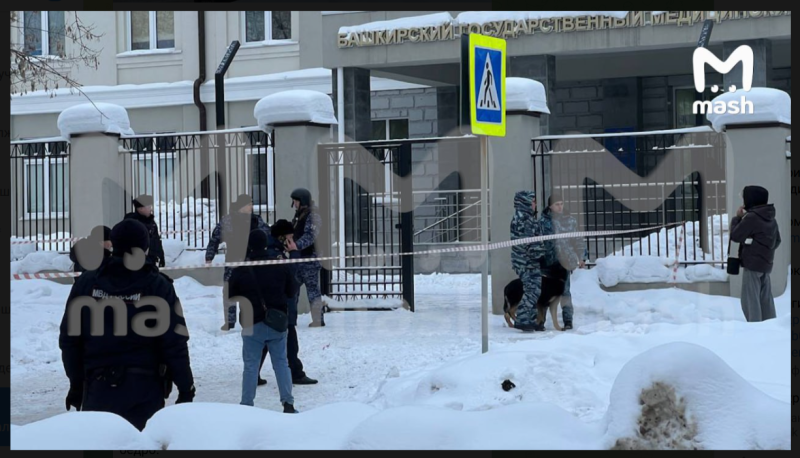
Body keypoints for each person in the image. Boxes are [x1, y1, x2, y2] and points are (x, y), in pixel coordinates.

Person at [58, 219, 195, 431]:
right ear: (145, 246)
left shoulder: (87, 283)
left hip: (99, 388)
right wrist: (186, 388)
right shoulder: (157, 286)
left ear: (113, 244)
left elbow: (69, 340)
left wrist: (76, 384)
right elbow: (174, 342)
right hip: (144, 390)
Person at [228, 229, 299, 413]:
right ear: (266, 244)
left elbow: (231, 295)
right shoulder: (278, 264)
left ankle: (246, 405)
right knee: (281, 363)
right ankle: (288, 403)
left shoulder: (242, 269)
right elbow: (292, 290)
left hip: (251, 323)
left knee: (251, 366)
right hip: (277, 323)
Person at [256, 220, 318, 386]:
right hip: (280, 304)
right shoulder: (275, 253)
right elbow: (290, 274)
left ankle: (254, 372)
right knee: (288, 338)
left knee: (268, 339)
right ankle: (296, 372)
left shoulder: (274, 249)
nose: (292, 241)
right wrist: (295, 253)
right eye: (290, 238)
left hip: (276, 303)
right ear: (282, 237)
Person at [205, 194, 269, 331]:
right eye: (249, 204)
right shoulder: (228, 221)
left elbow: (267, 236)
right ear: (242, 207)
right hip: (233, 261)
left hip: (253, 261)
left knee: (254, 290)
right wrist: (209, 257)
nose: (252, 207)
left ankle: (253, 318)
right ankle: (229, 321)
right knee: (229, 290)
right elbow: (215, 238)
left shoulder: (256, 220)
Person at [730, 186, 781, 322]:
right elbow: (777, 241)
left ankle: (755, 332)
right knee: (765, 301)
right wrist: (762, 250)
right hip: (766, 265)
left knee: (750, 302)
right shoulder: (771, 218)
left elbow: (735, 235)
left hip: (752, 266)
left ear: (750, 199)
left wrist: (737, 218)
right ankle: (770, 328)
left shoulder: (752, 217)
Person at [540, 193, 587, 330]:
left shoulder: (570, 220)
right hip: (548, 262)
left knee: (565, 292)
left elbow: (577, 240)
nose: (560, 207)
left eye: (561, 203)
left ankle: (568, 320)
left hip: (564, 262)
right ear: (550, 206)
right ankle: (540, 320)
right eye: (557, 204)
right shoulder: (543, 222)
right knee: (543, 292)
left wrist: (581, 257)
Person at [510, 190, 547, 332]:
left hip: (527, 261)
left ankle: (531, 319)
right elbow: (531, 243)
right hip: (526, 262)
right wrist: (540, 256)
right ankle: (523, 319)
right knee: (532, 290)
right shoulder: (524, 219)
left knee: (533, 289)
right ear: (525, 202)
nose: (535, 204)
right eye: (532, 201)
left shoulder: (525, 217)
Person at [289, 188, 325, 327]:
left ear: (302, 201)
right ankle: (291, 320)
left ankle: (318, 320)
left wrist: (296, 245)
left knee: (313, 291)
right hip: (298, 259)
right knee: (292, 291)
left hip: (310, 259)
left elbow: (311, 235)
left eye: (295, 200)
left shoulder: (313, 215)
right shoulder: (299, 215)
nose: (294, 203)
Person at [124, 195, 165, 268]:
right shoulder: (132, 224)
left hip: (152, 261)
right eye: (149, 207)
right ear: (141, 209)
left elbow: (156, 240)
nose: (151, 209)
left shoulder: (151, 223)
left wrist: (161, 256)